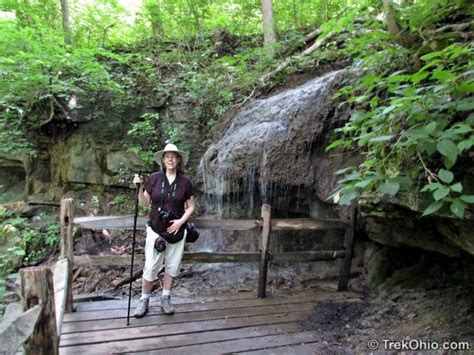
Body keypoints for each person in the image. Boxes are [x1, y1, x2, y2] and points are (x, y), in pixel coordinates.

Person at [133, 143, 195, 317]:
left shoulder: (185, 182)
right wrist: (139, 188)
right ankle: (144, 300)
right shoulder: (154, 179)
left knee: (172, 266)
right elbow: (144, 202)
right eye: (167, 156)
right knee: (151, 266)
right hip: (156, 229)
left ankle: (165, 298)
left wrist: (180, 221)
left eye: (174, 156)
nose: (170, 159)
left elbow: (191, 206)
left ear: (178, 160)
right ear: (163, 159)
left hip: (177, 231)